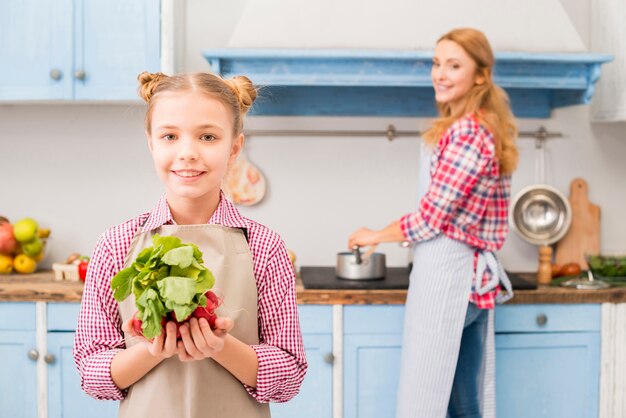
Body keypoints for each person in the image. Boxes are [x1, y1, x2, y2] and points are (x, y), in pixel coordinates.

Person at [73, 71, 307, 418]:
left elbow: (288, 377)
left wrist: (220, 346)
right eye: (170, 136)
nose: (187, 153)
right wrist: (152, 349)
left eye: (208, 137)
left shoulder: (265, 246)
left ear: (234, 148)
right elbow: (91, 374)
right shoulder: (115, 245)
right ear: (151, 143)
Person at [348, 28, 518, 418]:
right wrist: (390, 232)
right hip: (469, 283)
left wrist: (378, 234)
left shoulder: (468, 132)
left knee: (426, 398)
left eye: (453, 65)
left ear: (480, 75)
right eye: (437, 63)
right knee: (462, 401)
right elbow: (441, 210)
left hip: (453, 280)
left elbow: (431, 217)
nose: (440, 74)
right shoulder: (476, 126)